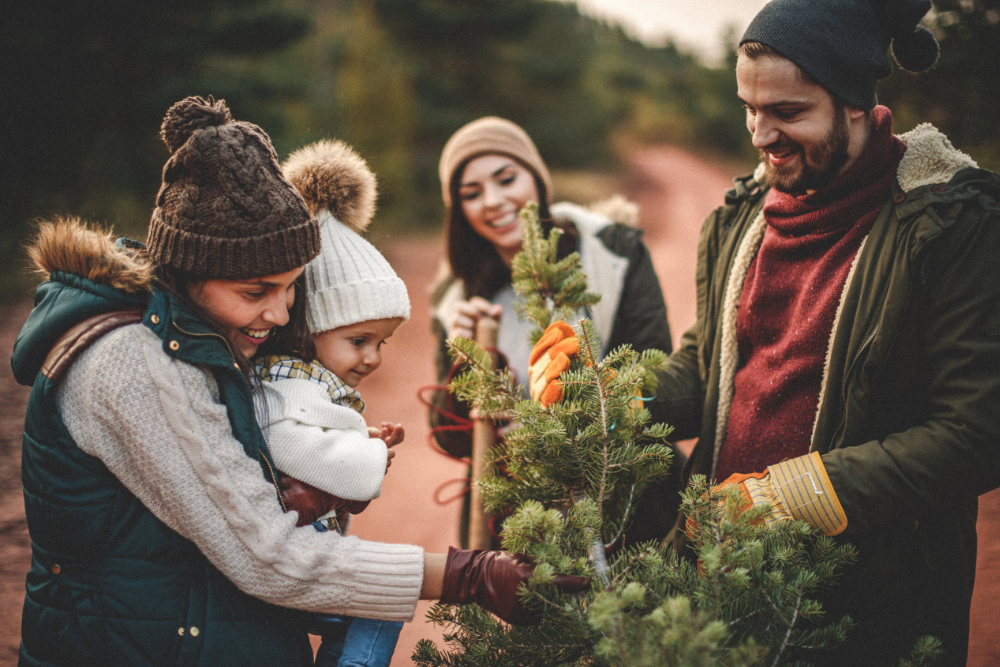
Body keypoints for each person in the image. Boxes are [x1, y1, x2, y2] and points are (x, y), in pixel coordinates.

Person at [12, 96, 587, 667]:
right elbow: (268, 555)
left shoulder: (204, 340)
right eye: (256, 291)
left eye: (292, 288)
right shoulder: (132, 362)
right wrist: (468, 575)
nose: (283, 315)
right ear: (189, 272)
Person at [644, 1, 1000, 665]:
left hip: (866, 611)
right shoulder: (740, 216)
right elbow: (706, 368)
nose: (760, 134)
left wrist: (798, 495)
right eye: (750, 109)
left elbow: (974, 434)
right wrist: (609, 393)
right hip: (721, 584)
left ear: (856, 102)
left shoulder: (950, 224)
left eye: (788, 112)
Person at [429, 116, 682, 548]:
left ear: (538, 179)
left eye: (506, 179)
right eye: (471, 194)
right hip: (521, 519)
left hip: (623, 504)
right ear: (460, 211)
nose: (492, 201)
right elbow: (449, 437)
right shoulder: (458, 295)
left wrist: (562, 425)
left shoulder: (613, 253)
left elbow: (653, 376)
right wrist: (464, 364)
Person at [254, 138, 411, 667]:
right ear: (310, 328)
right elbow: (287, 443)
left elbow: (311, 443)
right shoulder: (287, 380)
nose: (373, 358)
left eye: (381, 343)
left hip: (302, 559)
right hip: (286, 566)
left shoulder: (311, 382)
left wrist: (359, 440)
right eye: (359, 340)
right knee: (381, 599)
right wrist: (366, 459)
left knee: (377, 601)